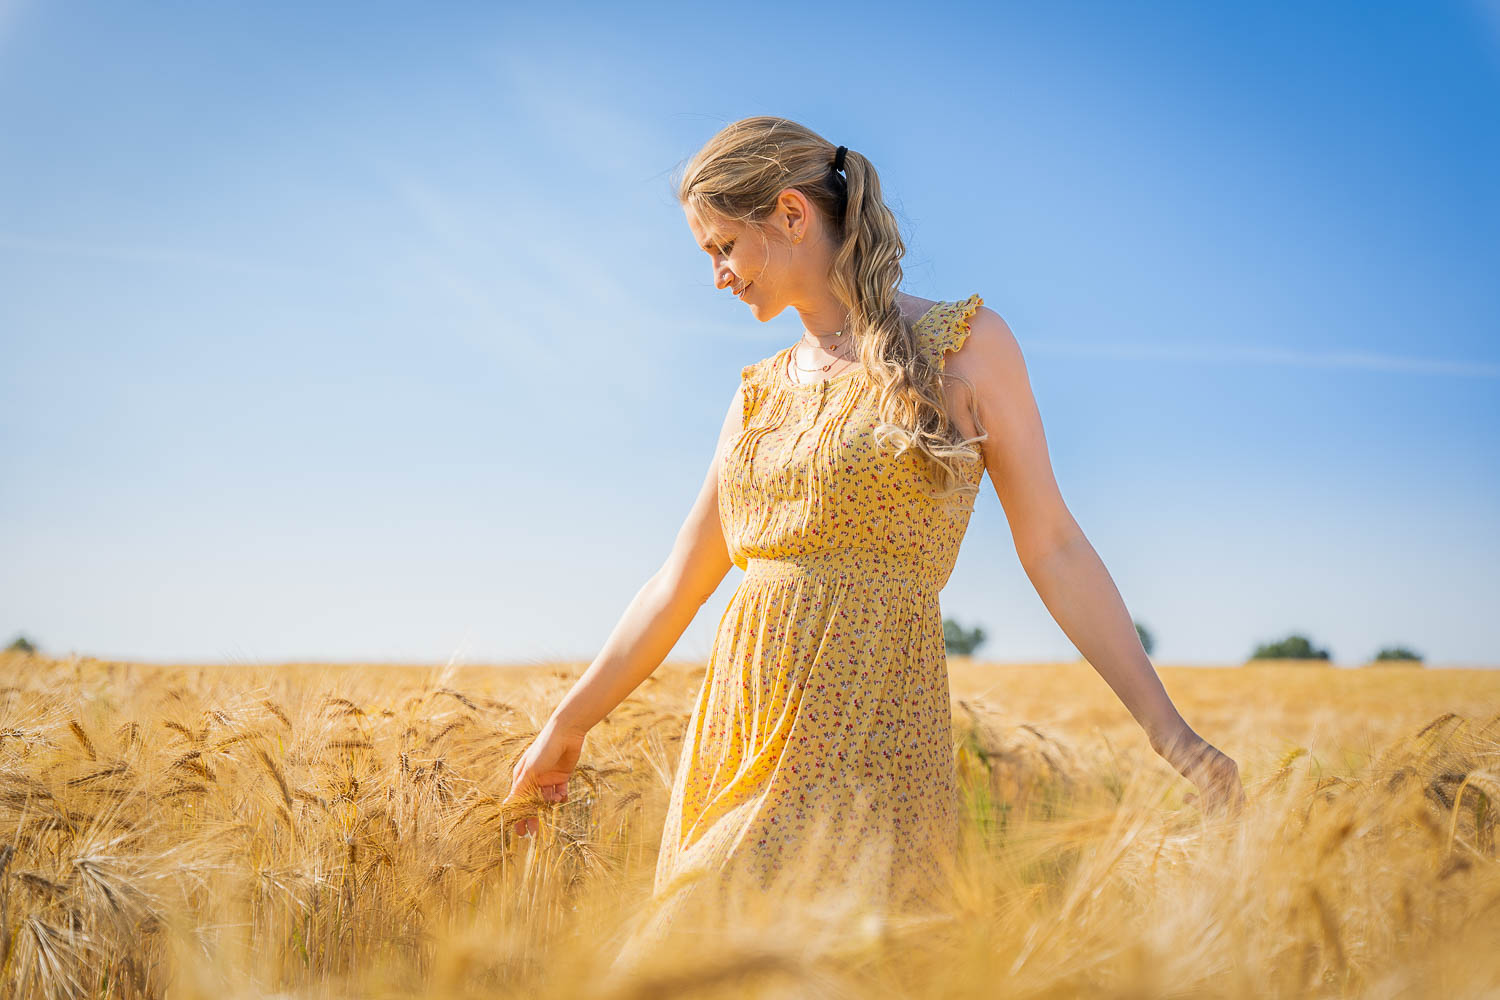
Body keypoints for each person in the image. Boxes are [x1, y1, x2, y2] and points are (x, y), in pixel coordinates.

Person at [502, 116, 1245, 949]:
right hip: (740, 734)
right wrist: (567, 726)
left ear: (790, 215)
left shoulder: (966, 346)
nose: (716, 277)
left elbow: (1054, 545)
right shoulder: (758, 393)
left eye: (722, 248)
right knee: (701, 958)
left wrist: (1166, 729)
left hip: (873, 733)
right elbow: (678, 581)